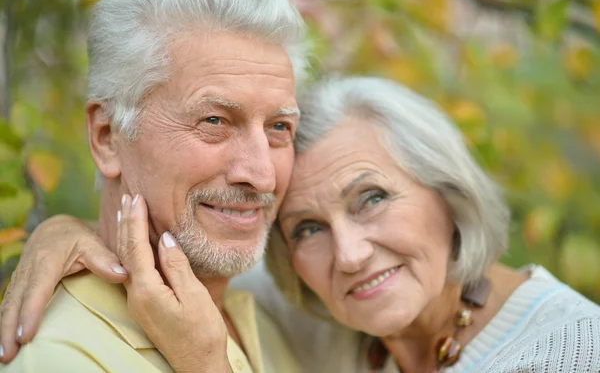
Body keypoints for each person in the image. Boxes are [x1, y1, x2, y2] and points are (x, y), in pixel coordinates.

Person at [3, 77, 600, 372]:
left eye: (371, 198)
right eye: (307, 228)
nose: (349, 255)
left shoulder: (572, 351)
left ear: (448, 193)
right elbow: (188, 253)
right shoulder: (324, 318)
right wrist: (71, 229)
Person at [0, 0, 308, 371]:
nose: (262, 175)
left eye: (279, 127)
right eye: (214, 120)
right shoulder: (62, 357)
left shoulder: (278, 319)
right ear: (108, 138)